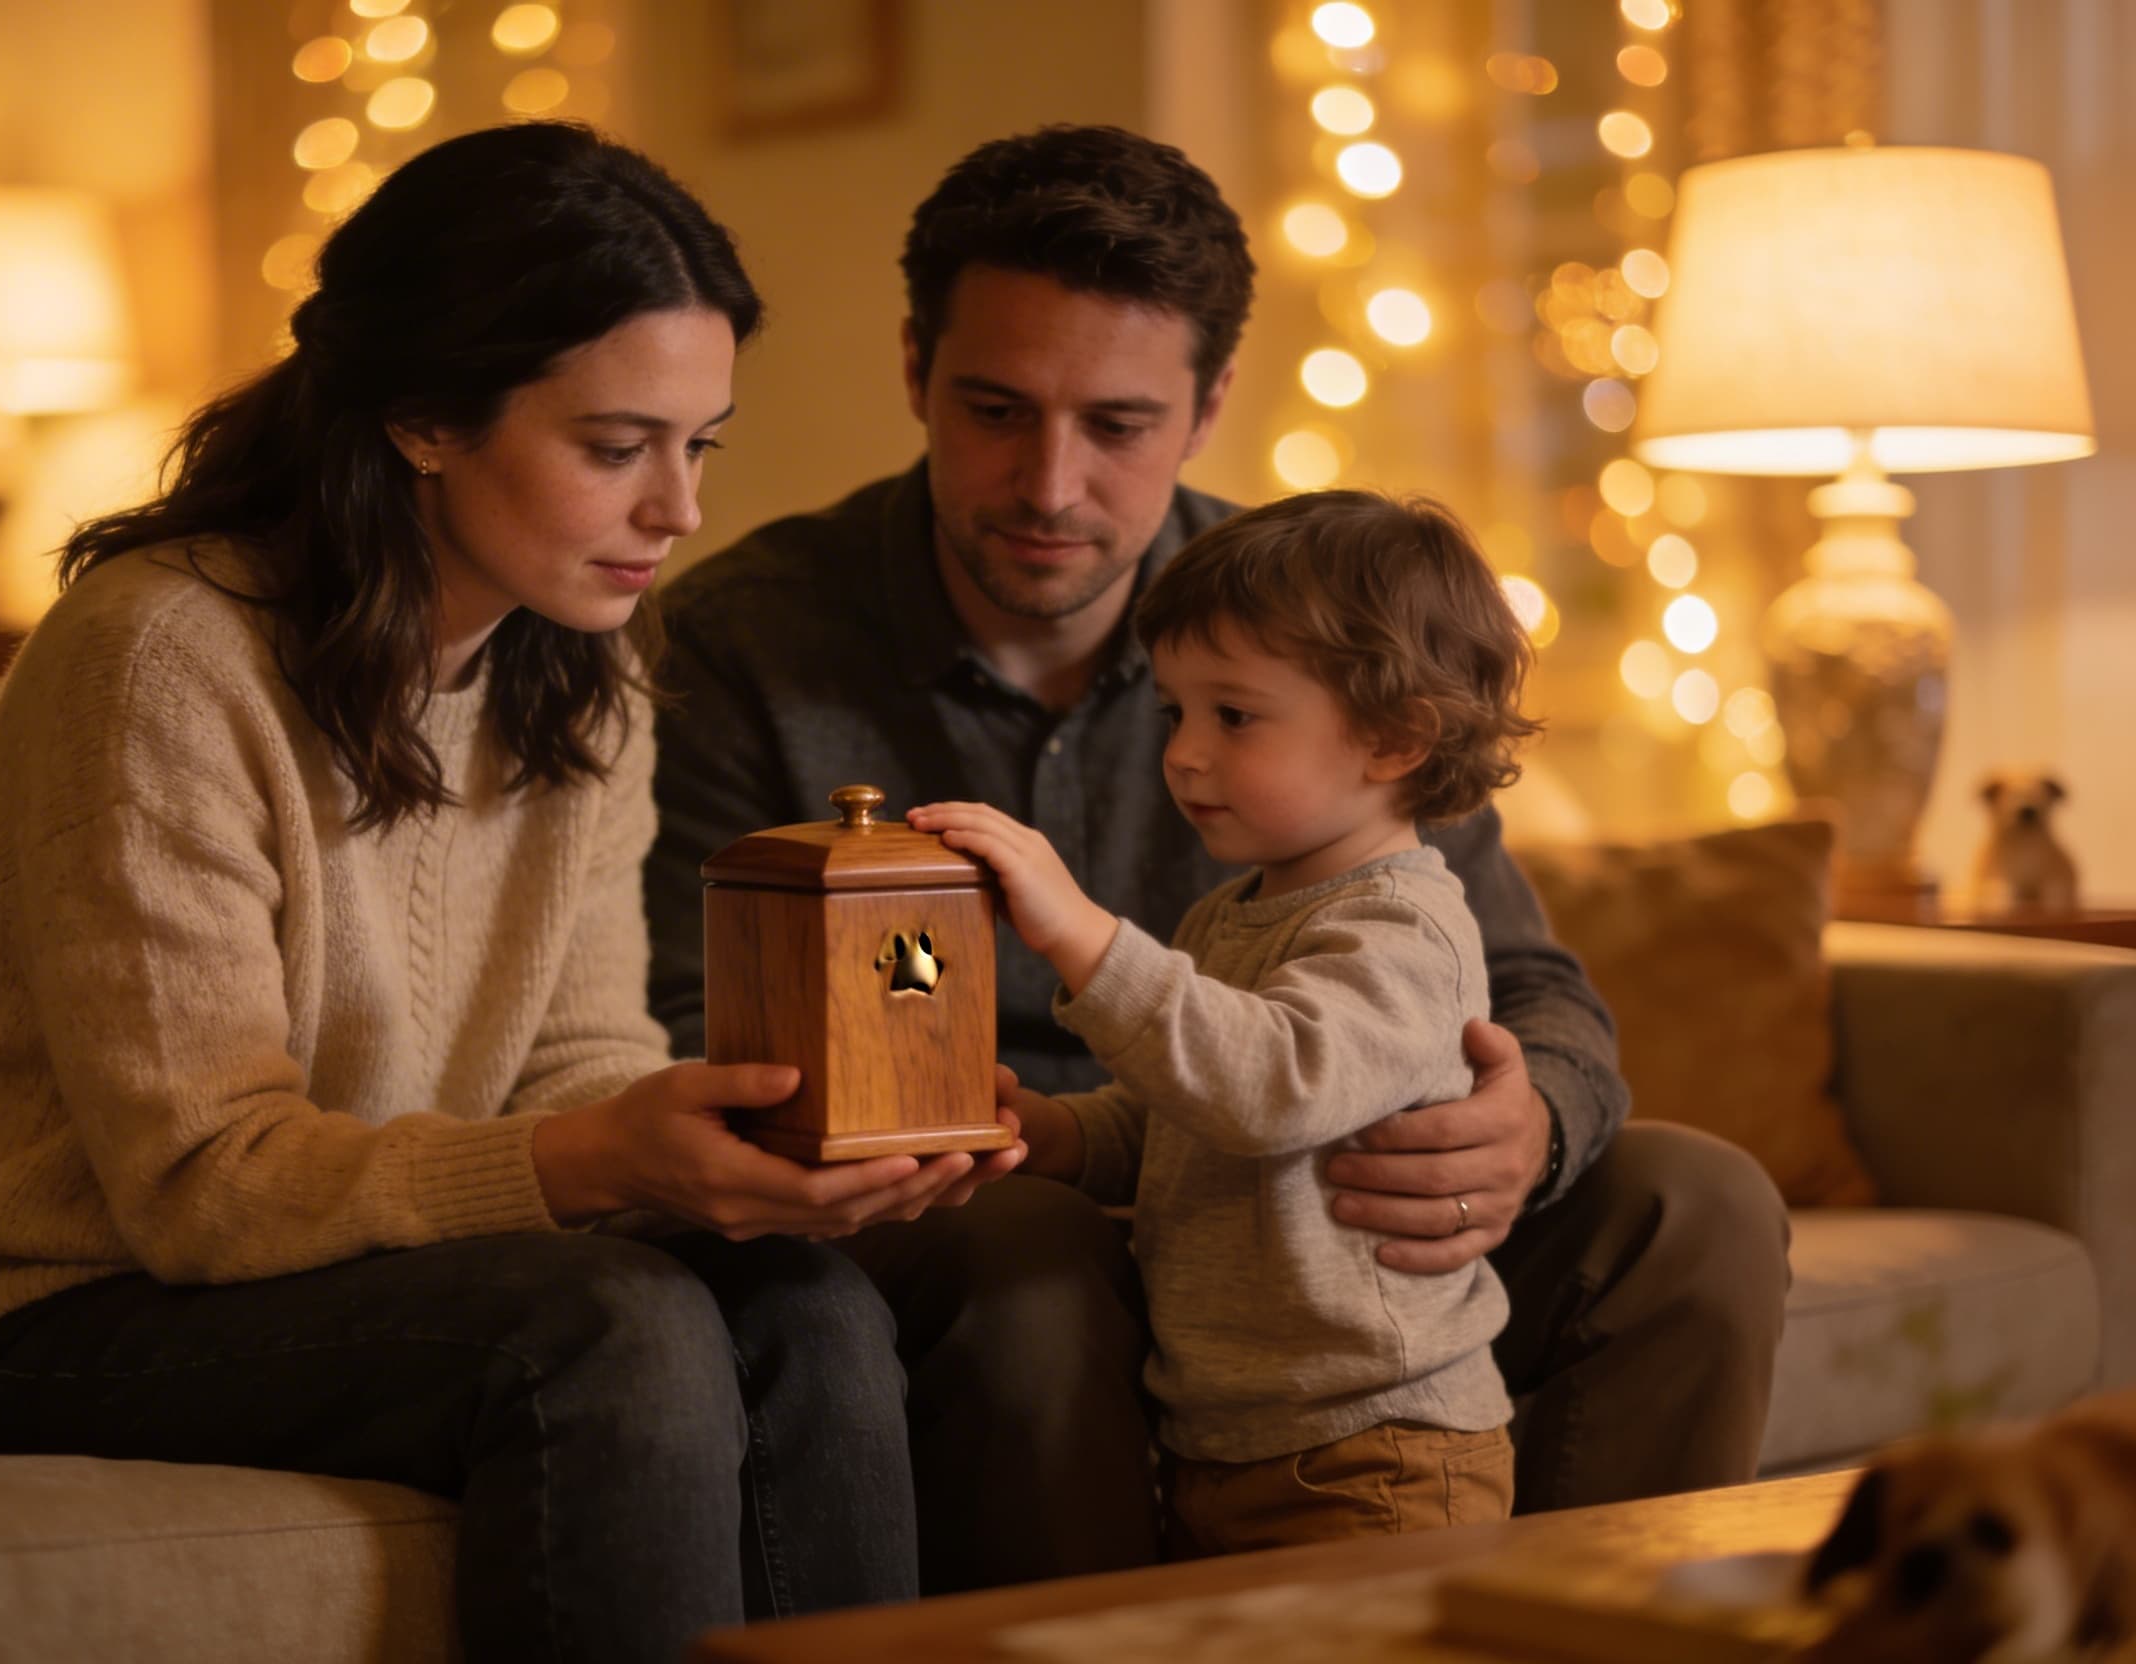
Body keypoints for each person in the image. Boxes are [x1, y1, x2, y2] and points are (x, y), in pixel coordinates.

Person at [0, 123, 1022, 1664]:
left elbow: (573, 1062)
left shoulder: (584, 688)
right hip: (43, 1309)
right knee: (615, 1330)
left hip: (360, 1268)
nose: (681, 510)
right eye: (616, 447)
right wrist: (598, 1163)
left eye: (699, 443)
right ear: (423, 417)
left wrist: (742, 1143)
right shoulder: (159, 660)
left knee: (806, 1300)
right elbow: (198, 1184)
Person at [646, 124, 1791, 1592]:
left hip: (1300, 1206)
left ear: (1207, 407)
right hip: (973, 1204)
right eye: (996, 410)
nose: (1049, 484)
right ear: (915, 367)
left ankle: (1600, 1630)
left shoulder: (1317, 630)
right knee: (1032, 1259)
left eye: (1117, 424)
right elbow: (691, 1027)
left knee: (1692, 1205)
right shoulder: (742, 643)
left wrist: (1528, 1131)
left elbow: (1526, 987)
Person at [908, 489, 1543, 1555]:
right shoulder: (1238, 909)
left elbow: (1269, 1086)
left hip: (1375, 1448)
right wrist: (1059, 1134)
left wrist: (1078, 931)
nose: (1186, 753)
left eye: (1233, 715)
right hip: (1226, 1438)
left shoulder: (1401, 929)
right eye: (1176, 712)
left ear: (1392, 737)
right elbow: (1186, 1115)